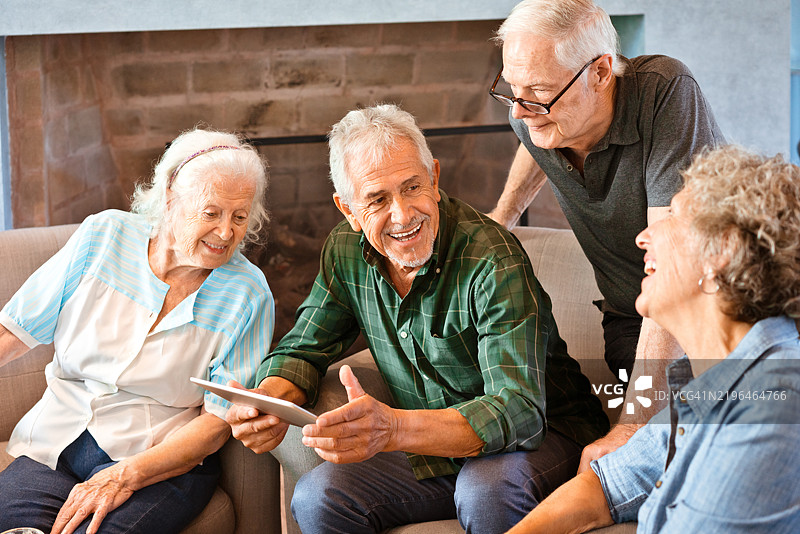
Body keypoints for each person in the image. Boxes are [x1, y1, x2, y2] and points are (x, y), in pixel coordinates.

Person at [226, 104, 609, 533]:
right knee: (319, 498)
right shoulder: (345, 251)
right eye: (377, 199)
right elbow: (304, 347)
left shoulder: (492, 259)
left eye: (412, 187)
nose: (404, 215)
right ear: (348, 210)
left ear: (434, 178)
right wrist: (267, 401)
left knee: (485, 491)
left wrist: (394, 429)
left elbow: (518, 411)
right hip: (434, 447)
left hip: (544, 435)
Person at [505, 145, 800, 533]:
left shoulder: (772, 408)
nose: (643, 237)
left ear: (723, 250)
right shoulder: (711, 384)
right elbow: (603, 485)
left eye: (673, 215)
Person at [486, 0, 725, 470]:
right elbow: (535, 138)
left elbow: (673, 266)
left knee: (682, 439)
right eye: (512, 88)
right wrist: (503, 216)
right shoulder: (536, 112)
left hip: (711, 310)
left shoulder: (665, 92)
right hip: (629, 320)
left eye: (538, 92)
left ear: (599, 72)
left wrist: (633, 424)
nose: (520, 110)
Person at [0, 128, 274, 534]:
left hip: (160, 463)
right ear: (170, 199)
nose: (225, 233)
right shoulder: (103, 236)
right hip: (54, 441)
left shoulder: (248, 294)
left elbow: (218, 421)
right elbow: (13, 331)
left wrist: (124, 476)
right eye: (211, 213)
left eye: (239, 216)